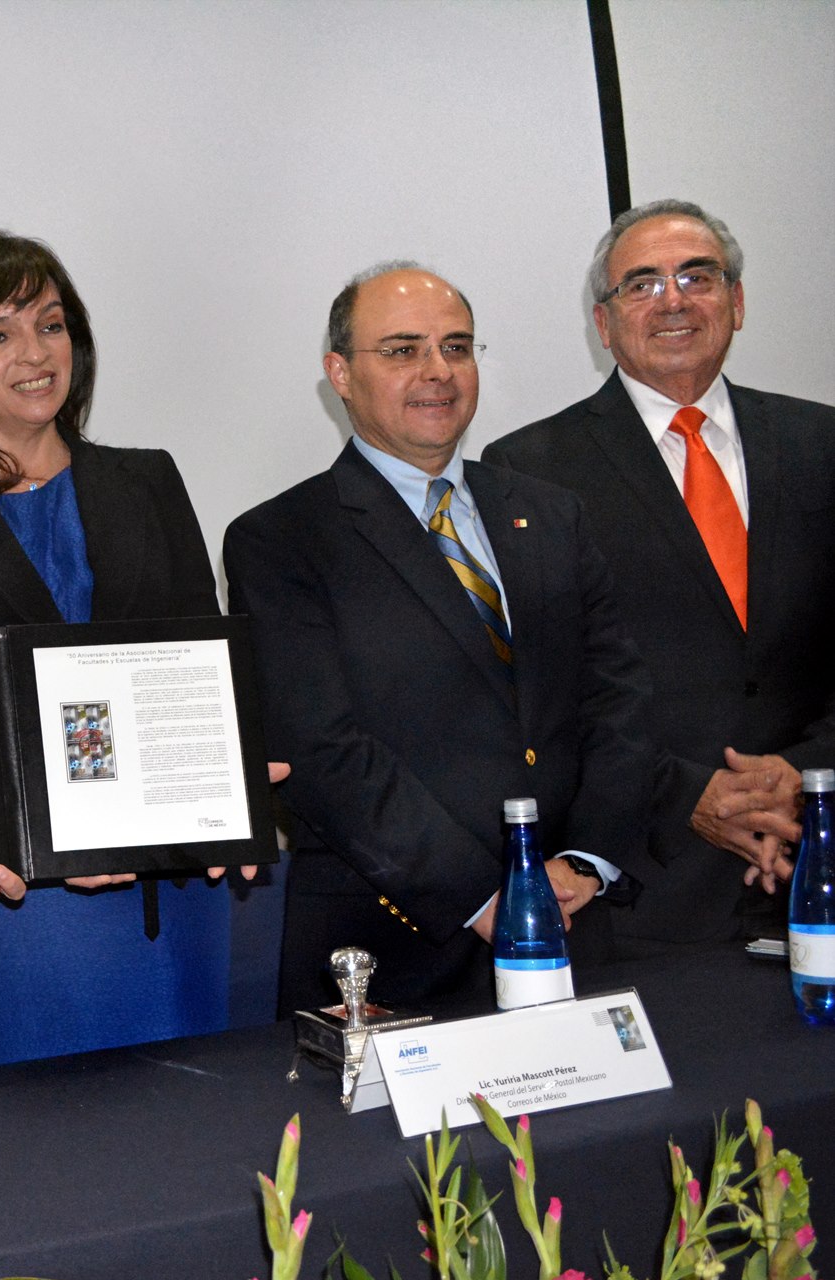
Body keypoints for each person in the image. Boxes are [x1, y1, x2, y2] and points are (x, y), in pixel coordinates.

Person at [0, 230, 246, 1074]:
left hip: (166, 905)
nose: (35, 354)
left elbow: (194, 675)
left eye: (51, 324)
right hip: (6, 921)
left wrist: (232, 784)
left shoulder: (148, 480)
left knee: (190, 1153)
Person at [222, 265, 655, 1013]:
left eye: (456, 347)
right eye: (400, 350)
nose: (437, 371)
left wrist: (584, 861)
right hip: (392, 951)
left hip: (575, 929)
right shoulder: (281, 538)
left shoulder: (551, 513)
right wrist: (492, 894)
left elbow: (616, 697)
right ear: (340, 375)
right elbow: (324, 749)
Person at [482, 200, 835, 954]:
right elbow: (543, 696)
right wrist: (690, 794)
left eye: (696, 276)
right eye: (640, 285)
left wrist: (800, 777)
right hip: (654, 884)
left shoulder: (823, 442)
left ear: (736, 303)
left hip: (820, 849)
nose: (673, 299)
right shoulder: (529, 472)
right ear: (604, 325)